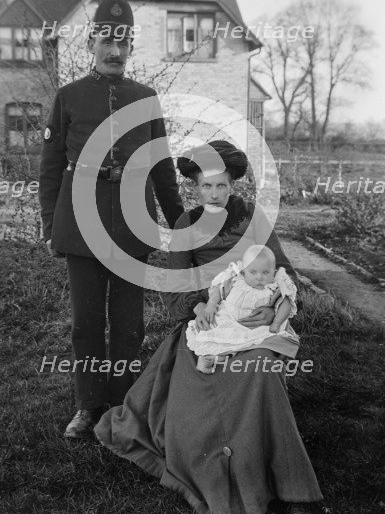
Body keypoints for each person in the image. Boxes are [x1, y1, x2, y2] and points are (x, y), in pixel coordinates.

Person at [95, 140, 323, 514]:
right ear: (194, 187)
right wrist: (198, 304)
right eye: (206, 186)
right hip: (207, 319)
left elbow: (286, 272)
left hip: (256, 319)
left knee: (260, 369)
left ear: (233, 184)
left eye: (221, 186)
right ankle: (216, 469)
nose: (214, 194)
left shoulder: (252, 217)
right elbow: (174, 285)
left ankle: (287, 483)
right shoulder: (186, 223)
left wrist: (274, 310)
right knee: (197, 397)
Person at [39, 0, 184, 439]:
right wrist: (49, 226)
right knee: (85, 323)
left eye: (123, 41)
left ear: (131, 47)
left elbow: (161, 168)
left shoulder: (146, 97)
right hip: (81, 228)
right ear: (92, 43)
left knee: (128, 325)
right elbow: (49, 168)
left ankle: (122, 405)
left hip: (131, 228)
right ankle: (88, 406)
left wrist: (178, 225)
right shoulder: (69, 97)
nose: (115, 50)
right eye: (106, 39)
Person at [187, 244, 298, 374]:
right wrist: (211, 305)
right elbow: (219, 289)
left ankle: (221, 358)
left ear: (274, 272)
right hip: (227, 318)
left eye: (265, 272)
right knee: (213, 335)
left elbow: (287, 304)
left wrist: (276, 323)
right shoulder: (236, 279)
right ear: (244, 271)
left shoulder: (274, 287)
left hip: (254, 327)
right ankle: (209, 357)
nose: (259, 277)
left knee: (261, 342)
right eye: (253, 272)